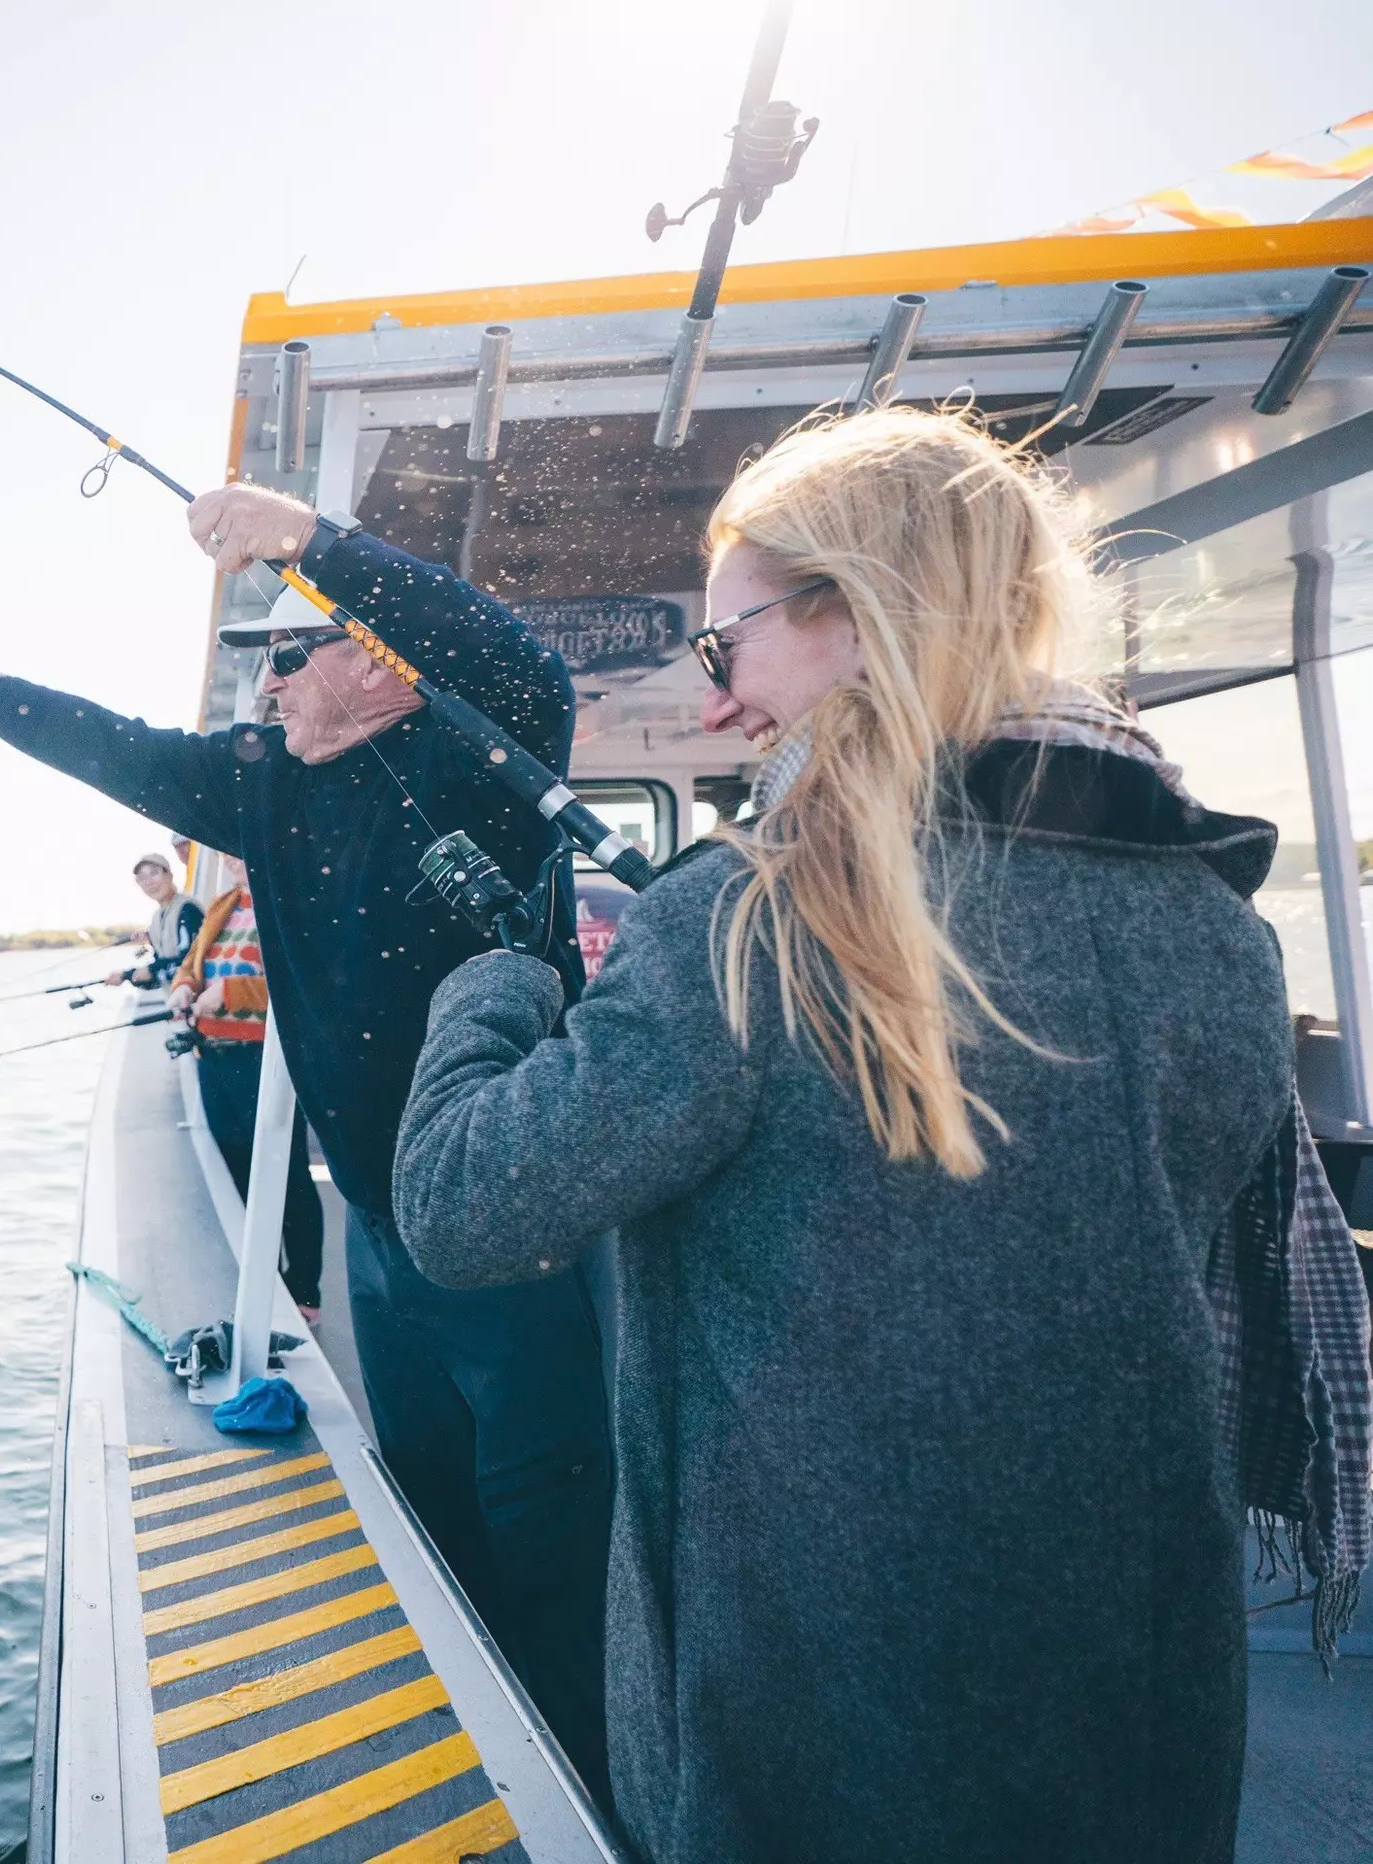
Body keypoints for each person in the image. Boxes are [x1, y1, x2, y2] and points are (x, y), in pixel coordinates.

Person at [393, 408, 1301, 1862]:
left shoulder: (749, 922)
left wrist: (496, 989)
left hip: (814, 1724)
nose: (712, 707)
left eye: (722, 647)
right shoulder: (1214, 915)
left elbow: (461, 1202)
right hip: (1133, 1688)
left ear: (855, 617)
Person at [0, 482, 613, 1793]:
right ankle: (497, 1756)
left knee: (555, 1527)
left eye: (300, 650)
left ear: (389, 678)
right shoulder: (264, 793)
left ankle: (597, 1775)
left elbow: (499, 649)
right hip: (377, 1231)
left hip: (515, 1229)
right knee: (430, 1504)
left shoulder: (481, 746)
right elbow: (103, 743)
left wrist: (305, 539)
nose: (276, 677)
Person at [168, 854, 324, 1320]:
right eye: (224, 848)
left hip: (263, 1064)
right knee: (236, 1169)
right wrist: (183, 988)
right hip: (213, 1060)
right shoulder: (224, 903)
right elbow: (192, 965)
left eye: (239, 845)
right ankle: (265, 1281)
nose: (231, 857)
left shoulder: (290, 904)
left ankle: (305, 1293)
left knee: (287, 1174)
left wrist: (232, 994)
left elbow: (300, 980)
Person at [105, 852, 200, 988]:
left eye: (154, 873)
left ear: (170, 875)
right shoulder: (157, 917)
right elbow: (160, 969)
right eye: (142, 878)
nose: (149, 882)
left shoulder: (188, 909)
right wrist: (126, 976)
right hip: (177, 999)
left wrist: (138, 973)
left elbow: (189, 965)